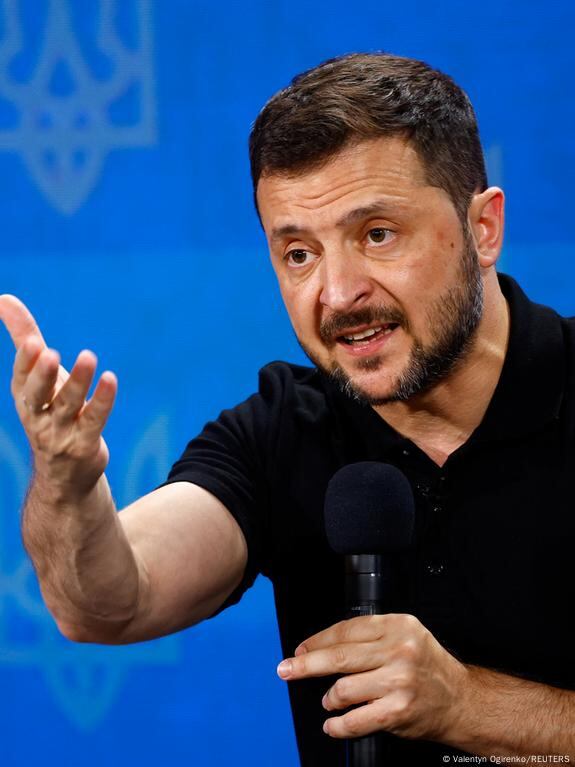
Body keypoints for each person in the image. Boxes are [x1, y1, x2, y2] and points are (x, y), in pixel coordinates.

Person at [1, 52, 574, 765]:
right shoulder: (282, 429)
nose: (337, 294)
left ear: (483, 228)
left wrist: (469, 705)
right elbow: (107, 602)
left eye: (376, 235)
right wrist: (66, 485)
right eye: (299, 253)